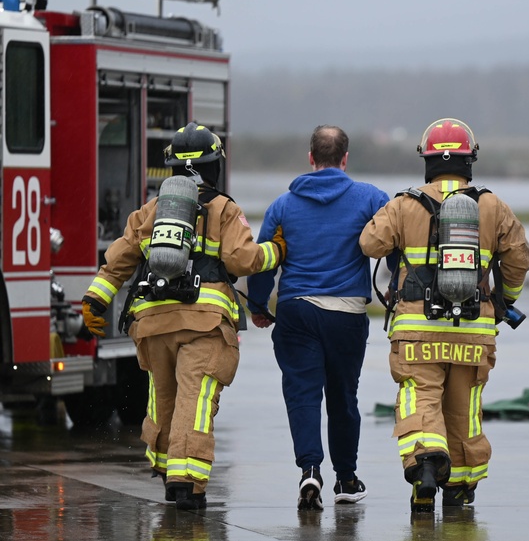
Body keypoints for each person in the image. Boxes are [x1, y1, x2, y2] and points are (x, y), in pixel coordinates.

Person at [81, 123, 286, 510]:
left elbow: (119, 259)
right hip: (204, 324)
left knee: (163, 397)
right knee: (196, 396)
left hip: (153, 321)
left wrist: (95, 300)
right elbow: (242, 260)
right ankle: (185, 483)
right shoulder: (225, 209)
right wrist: (276, 250)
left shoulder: (153, 210)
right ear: (215, 166)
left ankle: (165, 466)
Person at [359, 118, 529, 513]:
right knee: (464, 411)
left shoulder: (404, 203)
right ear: (469, 159)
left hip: (417, 332)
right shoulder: (492, 206)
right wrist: (504, 301)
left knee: (419, 397)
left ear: (428, 160)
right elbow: (521, 257)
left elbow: (369, 244)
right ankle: (460, 488)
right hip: (474, 331)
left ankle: (424, 463)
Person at [246, 125, 389, 511]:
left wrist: (259, 306)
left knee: (302, 394)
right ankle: (346, 478)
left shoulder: (282, 206)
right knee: (343, 396)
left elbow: (262, 261)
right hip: (346, 314)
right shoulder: (372, 198)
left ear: (311, 158)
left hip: (296, 311)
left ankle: (310, 469)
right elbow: (393, 241)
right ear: (345, 159)